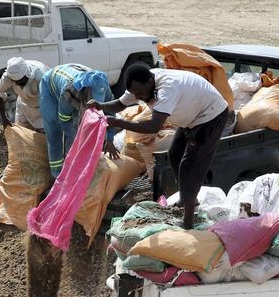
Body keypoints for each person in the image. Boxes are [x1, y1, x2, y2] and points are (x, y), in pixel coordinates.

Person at [89, 63, 229, 229]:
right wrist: (100, 105)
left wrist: (119, 122)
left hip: (211, 116)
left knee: (190, 166)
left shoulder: (167, 89)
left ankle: (188, 220)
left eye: (140, 93)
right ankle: (187, 198)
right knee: (175, 154)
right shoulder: (139, 84)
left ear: (150, 82)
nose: (138, 97)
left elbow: (153, 126)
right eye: (134, 94)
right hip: (192, 118)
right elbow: (120, 104)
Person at [38, 63, 119, 178]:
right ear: (87, 91)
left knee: (83, 129)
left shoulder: (104, 89)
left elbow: (110, 114)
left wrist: (110, 139)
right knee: (54, 128)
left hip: (74, 79)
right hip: (50, 86)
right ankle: (57, 175)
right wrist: (79, 142)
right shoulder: (69, 93)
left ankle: (75, 167)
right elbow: (64, 121)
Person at [0, 57, 48, 131]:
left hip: (42, 108)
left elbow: (48, 100)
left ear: (26, 75)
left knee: (44, 135)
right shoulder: (9, 76)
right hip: (23, 105)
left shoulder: (40, 76)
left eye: (20, 81)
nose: (17, 84)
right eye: (14, 81)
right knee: (21, 132)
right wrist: (4, 119)